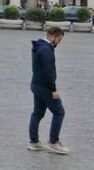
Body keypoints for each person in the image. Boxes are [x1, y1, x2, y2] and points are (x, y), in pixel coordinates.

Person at [28, 27, 70, 155]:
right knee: (59, 112)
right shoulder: (46, 50)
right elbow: (48, 72)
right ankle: (53, 142)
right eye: (58, 40)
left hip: (36, 84)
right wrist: (53, 89)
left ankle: (34, 141)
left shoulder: (39, 46)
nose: (58, 43)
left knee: (38, 113)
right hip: (45, 87)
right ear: (52, 37)